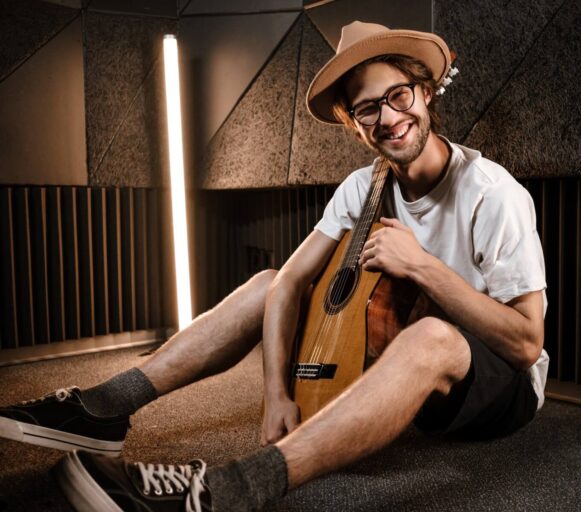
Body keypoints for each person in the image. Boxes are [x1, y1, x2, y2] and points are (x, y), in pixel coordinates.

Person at [0, 21, 549, 512]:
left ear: (426, 94)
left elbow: (525, 343)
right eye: (367, 109)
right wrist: (275, 396)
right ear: (355, 126)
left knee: (433, 335)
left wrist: (424, 268)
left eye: (399, 95)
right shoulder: (364, 185)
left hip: (496, 387)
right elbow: (287, 281)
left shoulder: (492, 194)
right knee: (265, 281)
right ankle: (105, 407)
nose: (389, 118)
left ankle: (227, 490)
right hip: (395, 372)